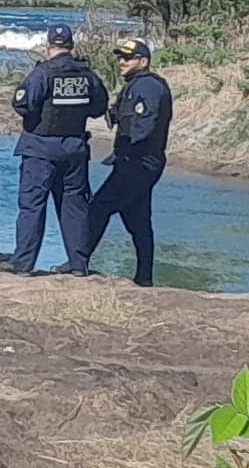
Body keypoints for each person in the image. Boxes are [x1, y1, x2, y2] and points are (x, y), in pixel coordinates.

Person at [6, 24, 109, 275]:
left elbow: (22, 103)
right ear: (72, 46)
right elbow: (99, 107)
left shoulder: (42, 73)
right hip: (74, 148)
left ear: (48, 45)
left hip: (41, 149)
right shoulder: (87, 75)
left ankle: (23, 263)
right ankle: (78, 264)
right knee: (74, 206)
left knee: (32, 205)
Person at [71, 36, 174, 286]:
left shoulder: (148, 87)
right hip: (134, 161)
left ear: (143, 61)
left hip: (139, 162)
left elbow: (144, 126)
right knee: (137, 220)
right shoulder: (134, 85)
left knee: (100, 207)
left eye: (128, 58)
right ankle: (144, 277)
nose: (122, 62)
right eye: (121, 57)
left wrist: (128, 150)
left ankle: (79, 262)